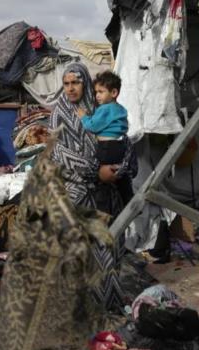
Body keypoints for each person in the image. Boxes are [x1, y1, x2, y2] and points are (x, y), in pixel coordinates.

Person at [50, 62, 137, 311]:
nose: (70, 89)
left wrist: (120, 170)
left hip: (107, 196)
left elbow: (124, 142)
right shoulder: (60, 114)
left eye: (75, 83)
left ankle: (107, 304)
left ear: (85, 82)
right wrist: (95, 171)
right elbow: (58, 153)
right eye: (66, 84)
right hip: (76, 193)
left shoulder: (101, 106)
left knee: (107, 251)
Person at [77, 70, 133, 206]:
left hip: (106, 147)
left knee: (99, 174)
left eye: (101, 92)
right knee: (120, 177)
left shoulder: (105, 109)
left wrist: (83, 116)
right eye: (96, 92)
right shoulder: (120, 109)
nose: (97, 96)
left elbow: (92, 126)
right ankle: (129, 200)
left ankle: (99, 198)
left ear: (114, 93)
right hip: (118, 146)